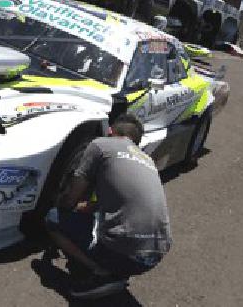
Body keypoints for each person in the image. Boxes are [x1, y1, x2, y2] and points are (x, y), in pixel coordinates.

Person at [44, 113, 172, 299]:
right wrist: (87, 207)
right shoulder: (147, 160)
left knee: (52, 218)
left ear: (110, 131)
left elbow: (71, 197)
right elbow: (122, 200)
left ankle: (102, 273)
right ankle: (114, 265)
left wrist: (63, 204)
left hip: (123, 254)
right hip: (153, 256)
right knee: (97, 218)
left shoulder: (101, 145)